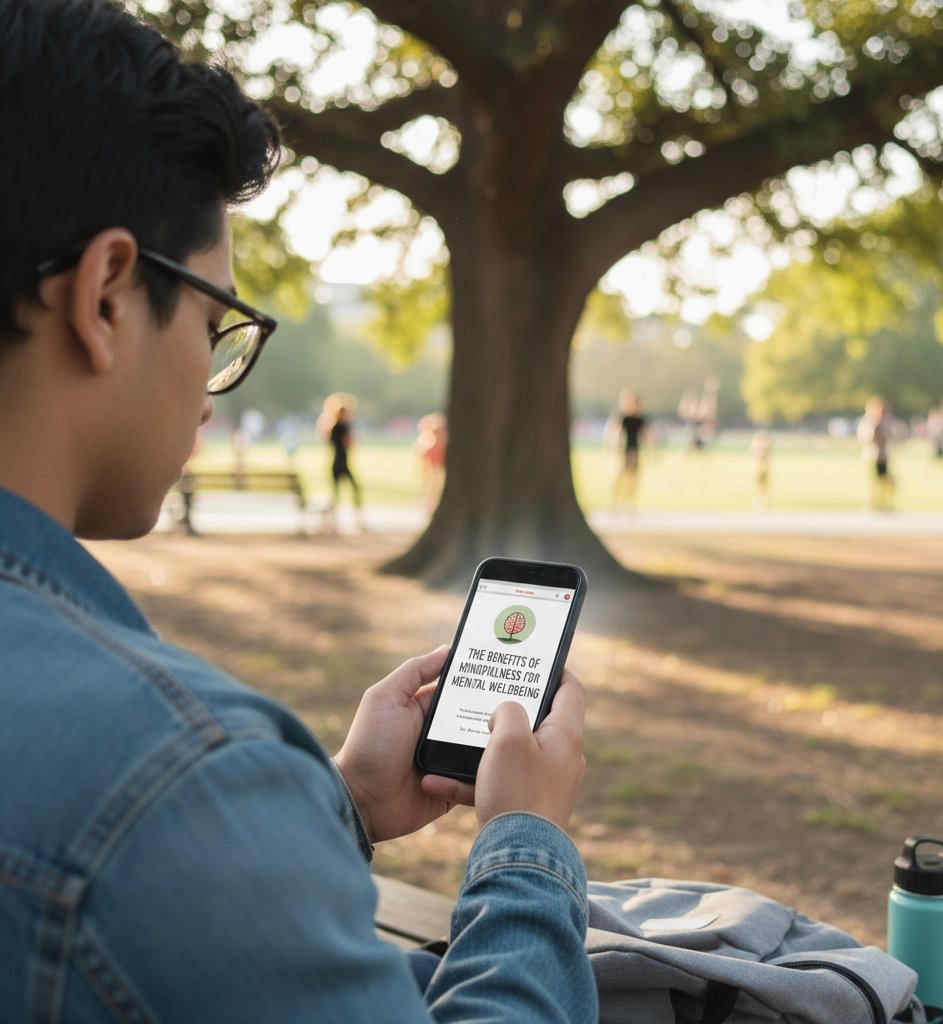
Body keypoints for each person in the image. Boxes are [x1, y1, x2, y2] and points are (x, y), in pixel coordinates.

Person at [0, 3, 596, 1022]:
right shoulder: (167, 773)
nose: (212, 376)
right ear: (105, 294)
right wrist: (525, 846)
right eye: (217, 318)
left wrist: (340, 803)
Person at [318, 391, 365, 530]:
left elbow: (328, 442)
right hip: (342, 463)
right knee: (353, 490)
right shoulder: (343, 427)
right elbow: (348, 443)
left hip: (335, 462)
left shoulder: (332, 427)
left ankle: (331, 521)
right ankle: (357, 520)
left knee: (336, 493)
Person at [606, 388, 654, 512]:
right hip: (623, 450)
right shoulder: (622, 417)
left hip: (634, 450)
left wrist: (651, 450)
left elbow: (646, 434)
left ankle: (627, 502)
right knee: (619, 476)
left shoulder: (640, 419)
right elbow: (615, 432)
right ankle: (614, 501)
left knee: (632, 478)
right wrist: (615, 447)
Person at [856, 396, 895, 512]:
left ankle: (884, 503)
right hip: (873, 456)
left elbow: (890, 436)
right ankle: (873, 504)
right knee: (874, 482)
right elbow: (865, 439)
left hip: (883, 456)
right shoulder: (868, 423)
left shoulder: (884, 423)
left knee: (886, 482)